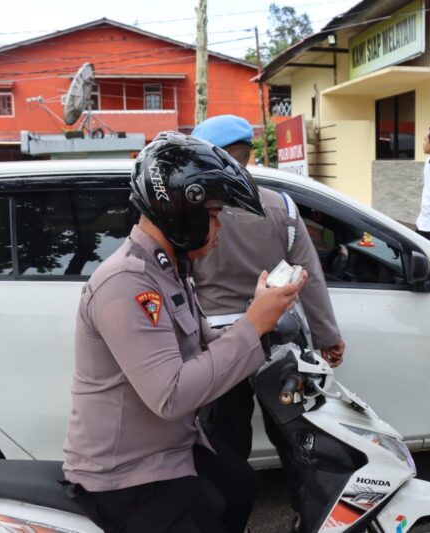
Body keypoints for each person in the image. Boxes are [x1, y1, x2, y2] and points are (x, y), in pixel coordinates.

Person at [63, 132, 303, 533]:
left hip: (171, 445)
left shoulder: (167, 271)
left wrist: (262, 322)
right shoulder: (127, 283)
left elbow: (204, 345)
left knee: (242, 485)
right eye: (213, 214)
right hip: (127, 472)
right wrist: (253, 324)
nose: (219, 226)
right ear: (182, 210)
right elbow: (171, 395)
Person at [190, 114, 345, 461]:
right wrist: (327, 337)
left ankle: (230, 497)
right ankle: (304, 496)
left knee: (224, 442)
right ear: (248, 155)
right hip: (279, 338)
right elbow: (309, 278)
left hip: (218, 344)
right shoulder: (282, 207)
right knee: (294, 436)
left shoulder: (196, 212)